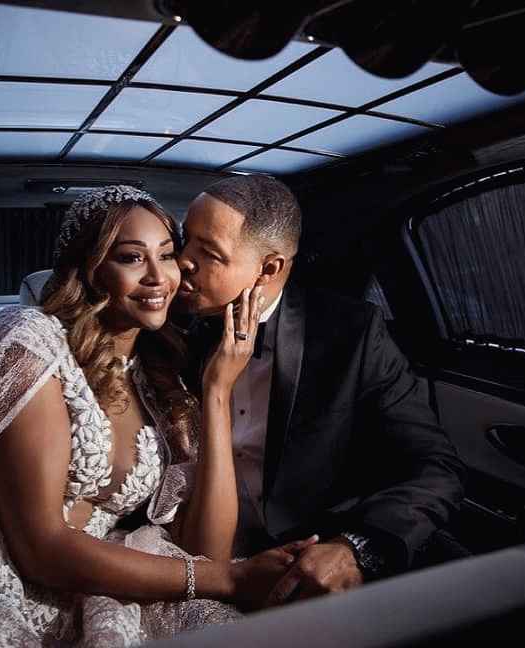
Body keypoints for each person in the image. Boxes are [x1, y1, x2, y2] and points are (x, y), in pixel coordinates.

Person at [0, 185, 317, 647]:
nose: (159, 277)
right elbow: (41, 547)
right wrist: (229, 579)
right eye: (131, 258)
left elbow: (205, 551)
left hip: (91, 577)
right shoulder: (32, 343)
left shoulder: (162, 375)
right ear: (90, 269)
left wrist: (217, 391)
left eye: (167, 255)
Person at [176, 175, 467, 604]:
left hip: (310, 564)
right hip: (197, 556)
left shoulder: (351, 334)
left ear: (269, 269)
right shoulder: (167, 325)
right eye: (184, 240)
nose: (182, 261)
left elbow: (436, 468)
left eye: (209, 253)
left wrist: (354, 548)